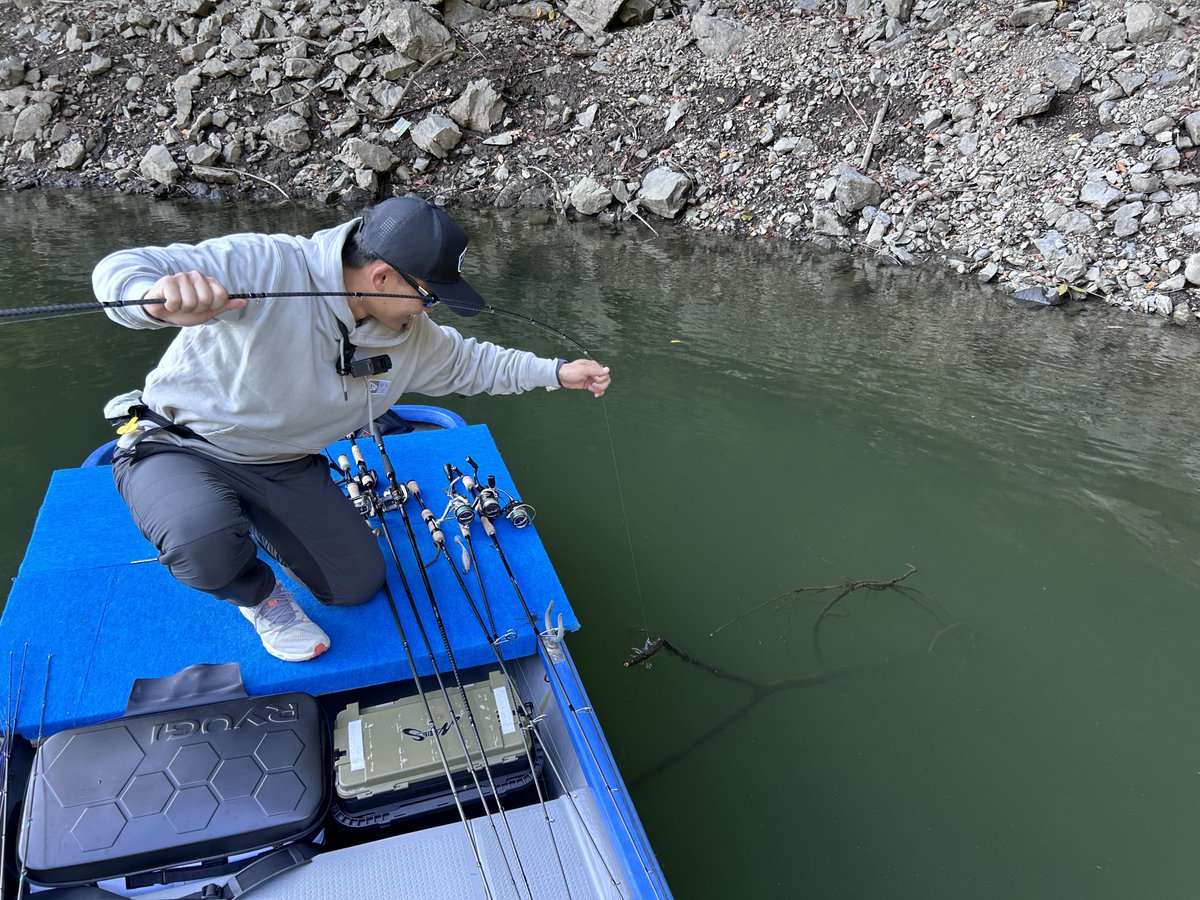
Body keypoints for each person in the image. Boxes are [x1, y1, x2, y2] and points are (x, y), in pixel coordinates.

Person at [94, 195, 611, 663]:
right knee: (200, 540)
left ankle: (249, 521)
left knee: (357, 584)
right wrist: (152, 297)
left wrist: (558, 373)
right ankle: (255, 594)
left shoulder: (410, 335)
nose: (429, 312)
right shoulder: (267, 261)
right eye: (429, 297)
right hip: (180, 446)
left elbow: (476, 364)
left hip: (283, 465)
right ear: (382, 278)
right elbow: (119, 270)